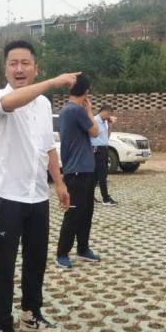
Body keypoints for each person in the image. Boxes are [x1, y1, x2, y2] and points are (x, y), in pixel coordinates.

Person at [0, 40, 75, 332]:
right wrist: (52, 82)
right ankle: (2, 325)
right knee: (4, 263)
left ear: (35, 67)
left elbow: (48, 146)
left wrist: (59, 183)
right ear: (5, 68)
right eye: (13, 63)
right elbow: (12, 102)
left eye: (25, 63)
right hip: (7, 194)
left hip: (37, 195)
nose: (19, 69)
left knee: (36, 258)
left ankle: (31, 313)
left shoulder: (44, 105)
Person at [56, 74, 101, 270]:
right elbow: (95, 131)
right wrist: (89, 110)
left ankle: (83, 248)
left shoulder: (65, 109)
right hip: (77, 171)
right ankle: (62, 253)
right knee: (74, 213)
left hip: (84, 169)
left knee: (86, 211)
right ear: (87, 92)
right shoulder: (76, 110)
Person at [91, 104, 117, 206]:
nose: (109, 116)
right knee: (102, 175)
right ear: (104, 111)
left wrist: (110, 125)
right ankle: (105, 199)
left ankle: (90, 196)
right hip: (97, 150)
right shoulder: (94, 121)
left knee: (96, 176)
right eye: (109, 114)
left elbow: (106, 137)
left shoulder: (104, 122)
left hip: (104, 149)